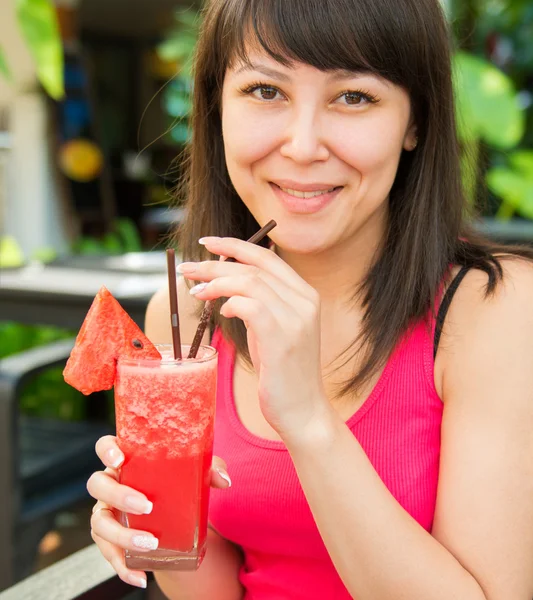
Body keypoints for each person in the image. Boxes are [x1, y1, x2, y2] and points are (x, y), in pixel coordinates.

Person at [86, 0, 533, 598]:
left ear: (415, 122)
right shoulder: (190, 315)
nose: (301, 146)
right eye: (266, 90)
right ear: (217, 107)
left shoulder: (496, 311)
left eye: (353, 97)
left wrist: (308, 421)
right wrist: (154, 530)